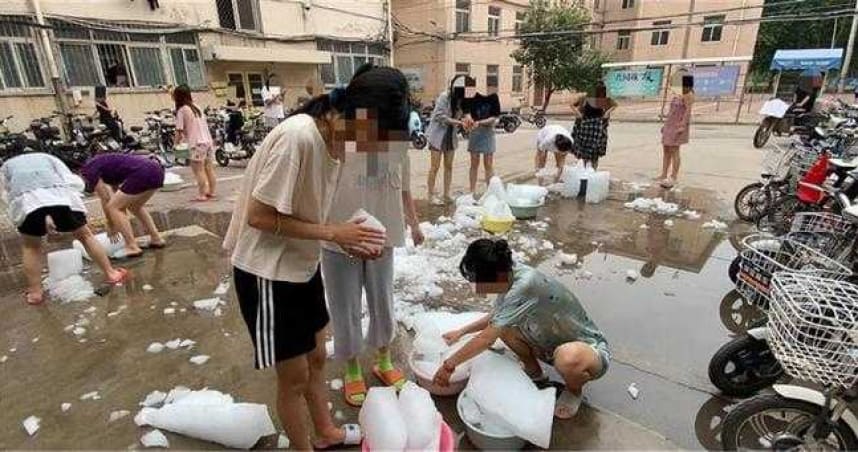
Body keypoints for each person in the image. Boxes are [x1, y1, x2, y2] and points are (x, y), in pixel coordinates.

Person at [223, 66, 402, 450]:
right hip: (267, 274)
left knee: (318, 357)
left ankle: (325, 431)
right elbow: (259, 217)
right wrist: (334, 233)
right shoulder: (298, 138)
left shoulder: (332, 142)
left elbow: (311, 211)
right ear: (356, 114)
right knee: (294, 378)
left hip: (301, 266)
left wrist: (347, 236)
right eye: (371, 136)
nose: (368, 148)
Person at [321, 65, 425, 407]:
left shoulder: (397, 136)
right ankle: (352, 367)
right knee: (345, 306)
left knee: (382, 301)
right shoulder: (337, 137)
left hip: (383, 235)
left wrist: (414, 223)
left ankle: (383, 360)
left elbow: (403, 187)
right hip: (340, 238)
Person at [432, 239, 610, 420]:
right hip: (548, 346)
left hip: (588, 351)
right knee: (504, 328)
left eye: (478, 281)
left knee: (567, 358)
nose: (477, 287)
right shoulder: (508, 274)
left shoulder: (525, 285)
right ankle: (535, 373)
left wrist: (449, 366)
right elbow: (497, 318)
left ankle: (573, 390)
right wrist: (462, 332)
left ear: (493, 275)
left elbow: (486, 339)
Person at [1, 152, 129, 305]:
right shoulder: (48, 157)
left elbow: (6, 192)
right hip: (60, 197)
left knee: (31, 247)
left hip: (27, 202)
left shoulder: (7, 166)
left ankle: (35, 292)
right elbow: (71, 180)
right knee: (85, 236)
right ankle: (111, 273)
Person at [80, 153, 166, 259]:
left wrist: (111, 224)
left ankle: (132, 246)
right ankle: (156, 238)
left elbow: (106, 198)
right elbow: (118, 195)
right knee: (134, 206)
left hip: (143, 172)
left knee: (113, 207)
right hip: (156, 170)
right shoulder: (104, 164)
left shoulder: (88, 169)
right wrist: (117, 219)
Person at [425, 75, 471, 205]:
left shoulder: (462, 99)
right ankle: (430, 196)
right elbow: (439, 116)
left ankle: (446, 194)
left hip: (451, 136)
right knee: (435, 167)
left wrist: (468, 119)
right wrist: (459, 122)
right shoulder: (444, 97)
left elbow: (466, 112)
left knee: (449, 166)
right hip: (438, 135)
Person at [173, 84, 215, 202]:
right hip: (208, 141)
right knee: (209, 168)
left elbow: (179, 130)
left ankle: (202, 194)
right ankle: (211, 191)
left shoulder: (182, 110)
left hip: (197, 143)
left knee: (198, 170)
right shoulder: (197, 107)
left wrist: (175, 144)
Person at [657, 74, 694, 189]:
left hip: (678, 125)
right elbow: (672, 111)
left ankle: (673, 176)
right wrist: (665, 124)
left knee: (674, 150)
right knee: (666, 149)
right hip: (670, 124)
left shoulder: (688, 95)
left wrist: (682, 125)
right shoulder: (677, 94)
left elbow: (687, 112)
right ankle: (663, 174)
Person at [465, 79, 500, 195]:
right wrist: (469, 117)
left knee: (488, 164)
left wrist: (480, 122)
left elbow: (494, 117)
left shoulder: (494, 98)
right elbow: (467, 111)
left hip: (488, 132)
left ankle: (490, 191)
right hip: (475, 132)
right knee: (474, 163)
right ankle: (472, 191)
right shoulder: (472, 96)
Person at [571, 82, 617, 169]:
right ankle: (587, 171)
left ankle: (591, 172)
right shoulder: (585, 98)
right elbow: (572, 105)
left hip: (596, 127)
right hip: (587, 127)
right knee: (587, 153)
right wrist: (578, 114)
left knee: (593, 153)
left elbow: (615, 105)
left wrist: (607, 112)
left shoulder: (603, 99)